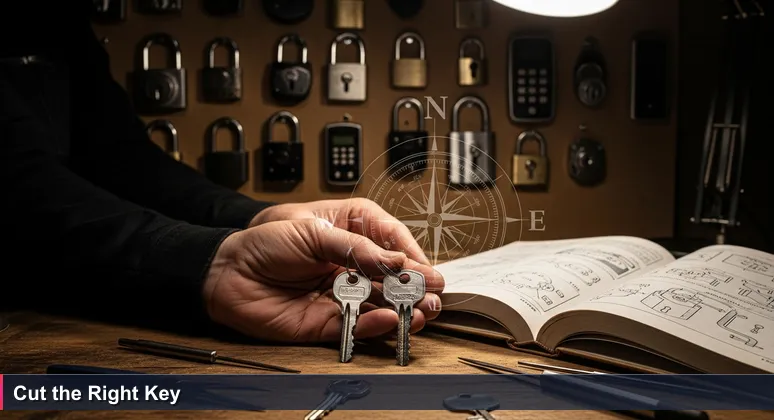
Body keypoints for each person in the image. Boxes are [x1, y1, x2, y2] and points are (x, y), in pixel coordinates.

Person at [0, 5, 443, 342]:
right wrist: (212, 262)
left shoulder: (63, 20)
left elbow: (123, 159)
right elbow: (14, 187)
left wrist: (258, 217)